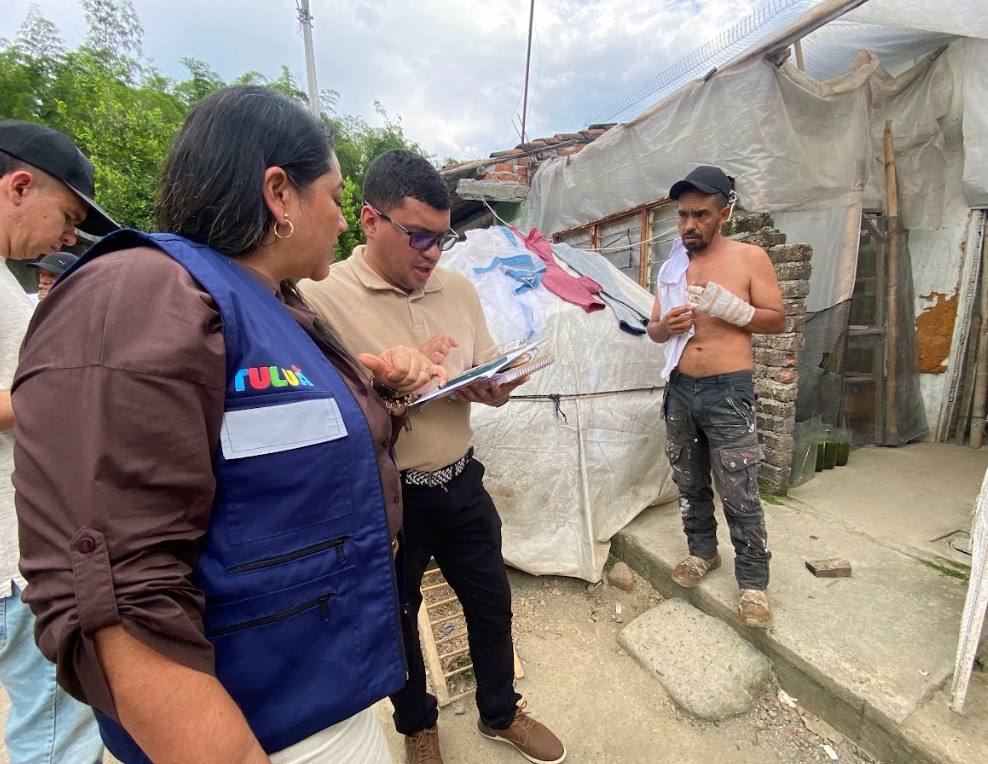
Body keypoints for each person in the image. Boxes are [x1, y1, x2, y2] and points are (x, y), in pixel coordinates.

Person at [12, 87, 448, 764]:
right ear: (279, 194)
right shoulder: (143, 293)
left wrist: (380, 397)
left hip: (318, 689)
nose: (343, 221)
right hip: (253, 726)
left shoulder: (274, 305)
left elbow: (269, 459)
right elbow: (113, 592)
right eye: (335, 197)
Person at [299, 149, 566, 764]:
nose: (432, 254)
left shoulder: (460, 290)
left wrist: (493, 387)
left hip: (460, 480)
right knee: (397, 618)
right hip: (386, 495)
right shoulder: (321, 296)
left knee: (491, 602)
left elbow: (486, 369)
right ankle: (418, 726)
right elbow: (320, 410)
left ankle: (500, 711)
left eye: (442, 238)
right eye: (418, 236)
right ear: (370, 220)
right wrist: (390, 386)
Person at [0, 119, 112, 764]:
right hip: (11, 564)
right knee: (54, 728)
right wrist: (64, 388)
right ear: (19, 187)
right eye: (68, 217)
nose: (69, 238)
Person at [647, 165, 785, 628]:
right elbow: (653, 328)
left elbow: (776, 319)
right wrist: (667, 327)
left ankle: (753, 583)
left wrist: (736, 310)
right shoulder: (671, 268)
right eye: (683, 215)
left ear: (724, 213)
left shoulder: (749, 258)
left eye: (701, 214)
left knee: (739, 489)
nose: (689, 224)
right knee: (688, 480)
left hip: (728, 389)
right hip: (680, 388)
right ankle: (702, 552)